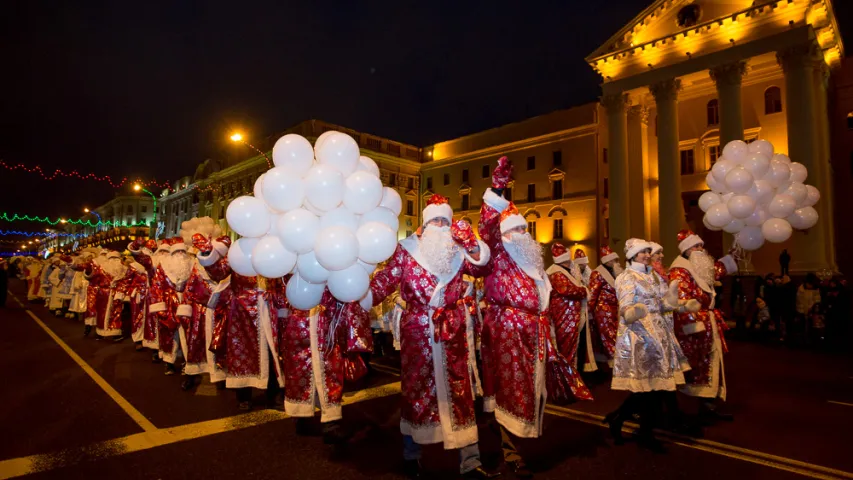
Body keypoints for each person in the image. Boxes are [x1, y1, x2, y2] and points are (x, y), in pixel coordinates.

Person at [366, 194, 497, 479]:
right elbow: (385, 281)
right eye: (435, 220)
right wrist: (357, 295)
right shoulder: (406, 250)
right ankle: (411, 455)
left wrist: (472, 242)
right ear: (424, 225)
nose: (440, 225)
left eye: (444, 221)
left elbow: (483, 267)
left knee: (459, 391)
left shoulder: (459, 251)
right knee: (417, 391)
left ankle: (470, 461)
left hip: (452, 330)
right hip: (417, 330)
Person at [478, 157, 588, 478]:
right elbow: (489, 225)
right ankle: (511, 452)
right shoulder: (499, 251)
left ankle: (506, 435)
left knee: (529, 392)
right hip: (508, 332)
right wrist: (498, 190)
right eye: (515, 230)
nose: (522, 234)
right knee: (511, 391)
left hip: (535, 332)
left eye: (524, 229)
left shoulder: (532, 262)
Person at [605, 239, 696, 451]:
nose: (646, 255)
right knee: (649, 390)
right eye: (642, 252)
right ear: (632, 255)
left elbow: (663, 304)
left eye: (648, 251)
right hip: (640, 336)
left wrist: (678, 304)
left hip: (660, 334)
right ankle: (644, 433)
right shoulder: (627, 276)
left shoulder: (652, 275)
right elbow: (625, 306)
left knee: (654, 389)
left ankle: (619, 419)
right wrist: (633, 313)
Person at [669, 230, 739, 422]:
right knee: (696, 366)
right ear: (686, 251)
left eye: (701, 245)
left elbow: (716, 270)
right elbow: (681, 302)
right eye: (695, 246)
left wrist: (734, 255)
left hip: (708, 324)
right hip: (693, 327)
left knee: (710, 364)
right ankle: (691, 409)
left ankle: (707, 406)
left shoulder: (699, 267)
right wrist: (694, 324)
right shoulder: (679, 271)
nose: (700, 249)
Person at [546, 242, 597, 376]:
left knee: (576, 343)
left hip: (573, 314)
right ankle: (567, 374)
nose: (571, 262)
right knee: (566, 344)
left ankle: (574, 373)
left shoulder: (566, 271)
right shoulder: (556, 272)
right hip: (564, 314)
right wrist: (584, 291)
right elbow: (567, 289)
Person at [588, 246, 622, 366]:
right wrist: (590, 311)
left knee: (615, 334)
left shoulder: (614, 272)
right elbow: (592, 294)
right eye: (614, 260)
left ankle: (615, 359)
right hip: (603, 310)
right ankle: (614, 359)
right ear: (608, 261)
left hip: (615, 309)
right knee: (608, 335)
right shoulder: (598, 273)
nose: (616, 263)